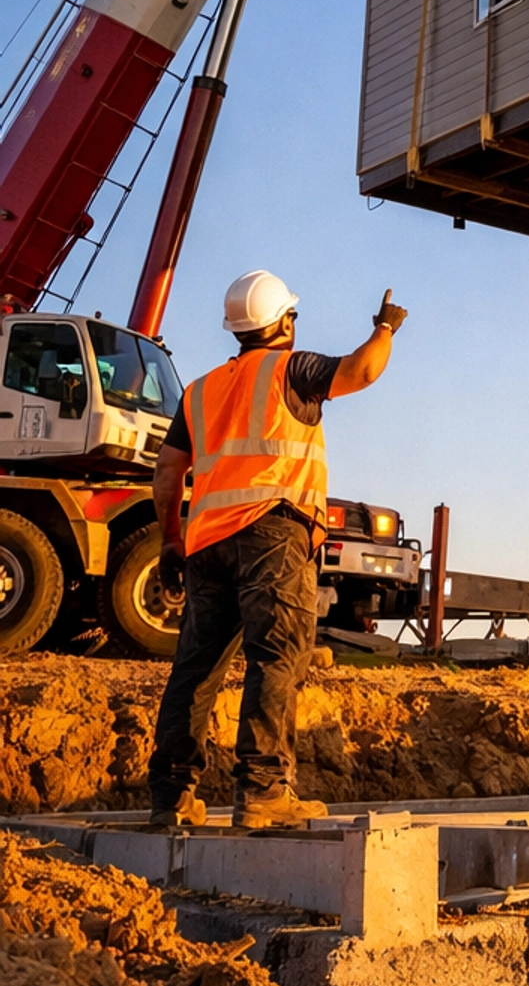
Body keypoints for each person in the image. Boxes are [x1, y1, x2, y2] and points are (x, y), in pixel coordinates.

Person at [146, 270, 407, 831]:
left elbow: (168, 470)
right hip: (274, 532)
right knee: (276, 659)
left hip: (207, 543)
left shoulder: (200, 391)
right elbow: (361, 370)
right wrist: (385, 329)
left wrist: (171, 538)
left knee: (195, 671)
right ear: (283, 322)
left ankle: (172, 798)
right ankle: (263, 792)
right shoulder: (293, 368)